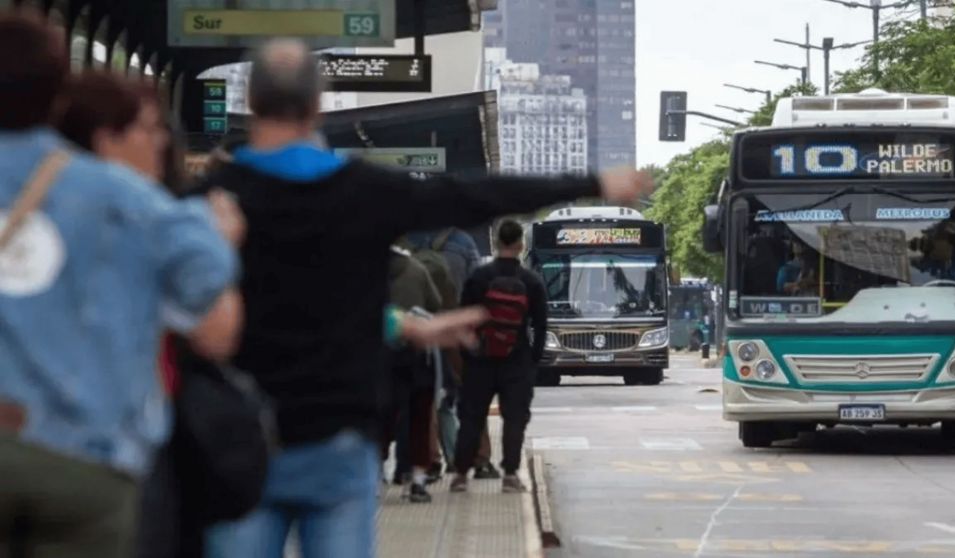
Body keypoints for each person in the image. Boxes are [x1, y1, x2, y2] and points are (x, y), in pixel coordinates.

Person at [199, 38, 652, 558]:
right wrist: (592, 181)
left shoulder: (213, 199)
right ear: (317, 104)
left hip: (239, 438)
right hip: (338, 436)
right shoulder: (366, 191)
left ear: (251, 102)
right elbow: (477, 194)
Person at [0, 13, 240, 558]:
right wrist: (222, 242)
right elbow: (215, 329)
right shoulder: (127, 199)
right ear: (57, 92)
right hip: (84, 459)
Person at [451, 220, 547, 494]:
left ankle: (460, 475)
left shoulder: (479, 277)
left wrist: (467, 353)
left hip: (480, 359)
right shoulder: (530, 281)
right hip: (516, 362)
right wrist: (533, 361)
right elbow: (540, 326)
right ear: (520, 245)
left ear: (496, 243)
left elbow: (464, 318)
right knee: (514, 419)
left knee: (471, 417)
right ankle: (510, 476)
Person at [406, 228, 499, 478]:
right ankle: (479, 460)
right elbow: (479, 285)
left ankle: (429, 463)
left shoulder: (408, 240)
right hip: (458, 328)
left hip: (420, 328)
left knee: (425, 397)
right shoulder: (462, 241)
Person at [382, 247, 442, 503]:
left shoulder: (366, 269)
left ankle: (376, 477)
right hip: (417, 353)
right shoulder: (417, 270)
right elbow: (435, 304)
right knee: (418, 417)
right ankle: (416, 480)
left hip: (381, 355)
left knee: (382, 415)